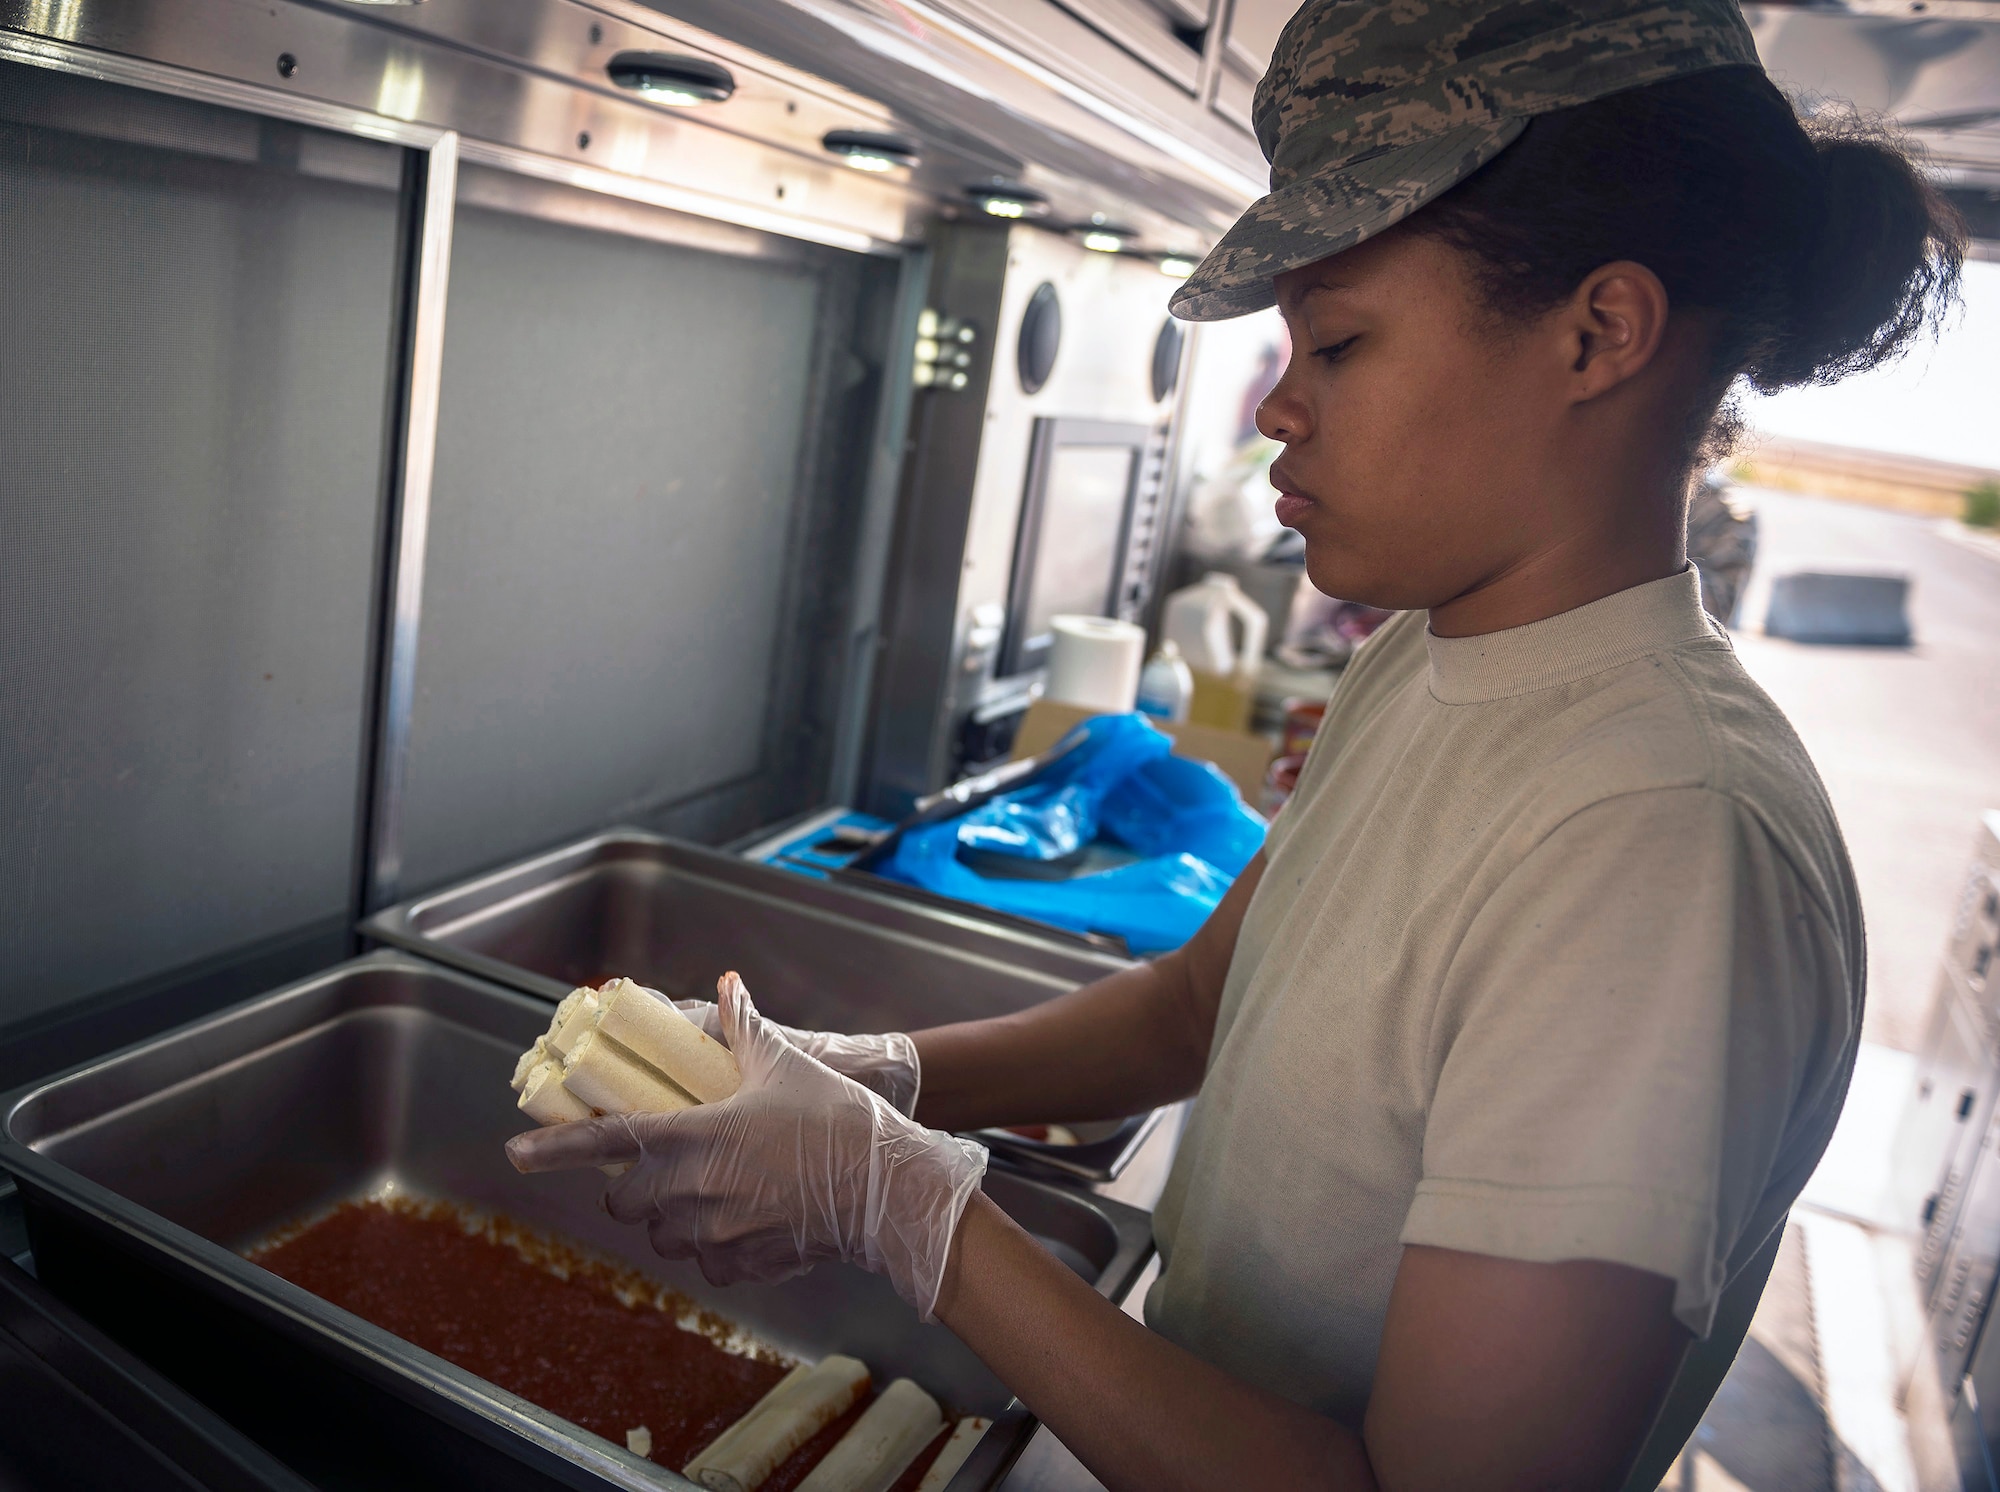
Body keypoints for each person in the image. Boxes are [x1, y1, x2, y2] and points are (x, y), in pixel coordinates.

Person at [507, 1, 1964, 1485]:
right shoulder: (1432, 653)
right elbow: (1203, 1004)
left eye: (1337, 339)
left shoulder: (1658, 845)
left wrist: (906, 1210)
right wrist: (870, 1077)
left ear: (1600, 333)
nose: (1278, 407)